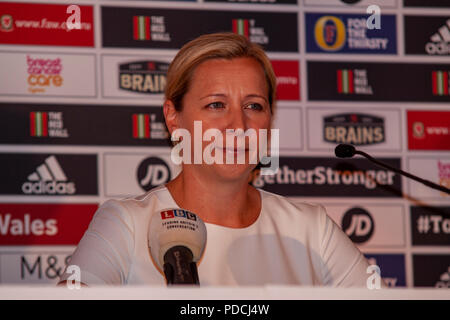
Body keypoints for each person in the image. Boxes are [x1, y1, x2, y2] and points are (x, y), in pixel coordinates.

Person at [59, 32, 379, 287]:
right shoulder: (126, 224)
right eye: (216, 105)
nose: (239, 125)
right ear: (173, 117)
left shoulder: (312, 228)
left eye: (254, 106)